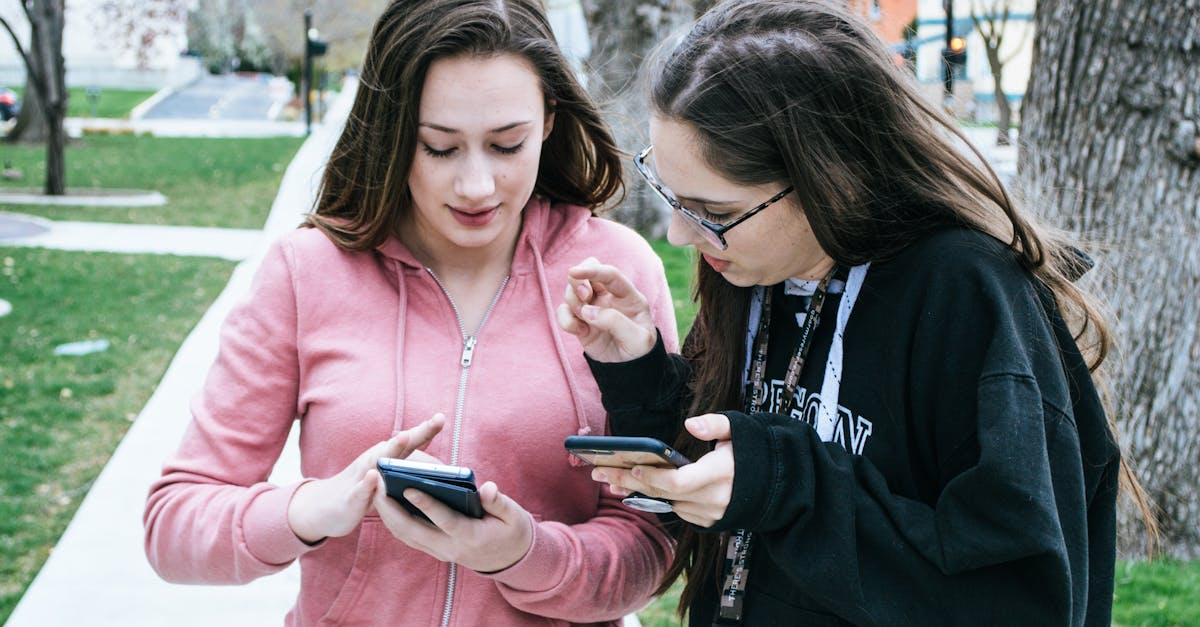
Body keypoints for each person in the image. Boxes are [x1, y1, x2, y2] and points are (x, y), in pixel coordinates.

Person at [558, 1, 1157, 625]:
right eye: (671, 195)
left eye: (713, 209)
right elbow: (731, 466)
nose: (682, 236)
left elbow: (1018, 592)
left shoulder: (965, 294)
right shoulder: (753, 266)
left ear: (829, 176)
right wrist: (641, 371)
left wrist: (785, 485)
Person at [143, 1, 679, 625]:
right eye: (440, 148)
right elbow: (174, 526)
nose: (477, 185)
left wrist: (524, 554)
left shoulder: (616, 272)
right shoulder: (305, 271)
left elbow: (657, 538)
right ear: (392, 133)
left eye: (507, 145)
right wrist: (312, 508)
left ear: (550, 122)